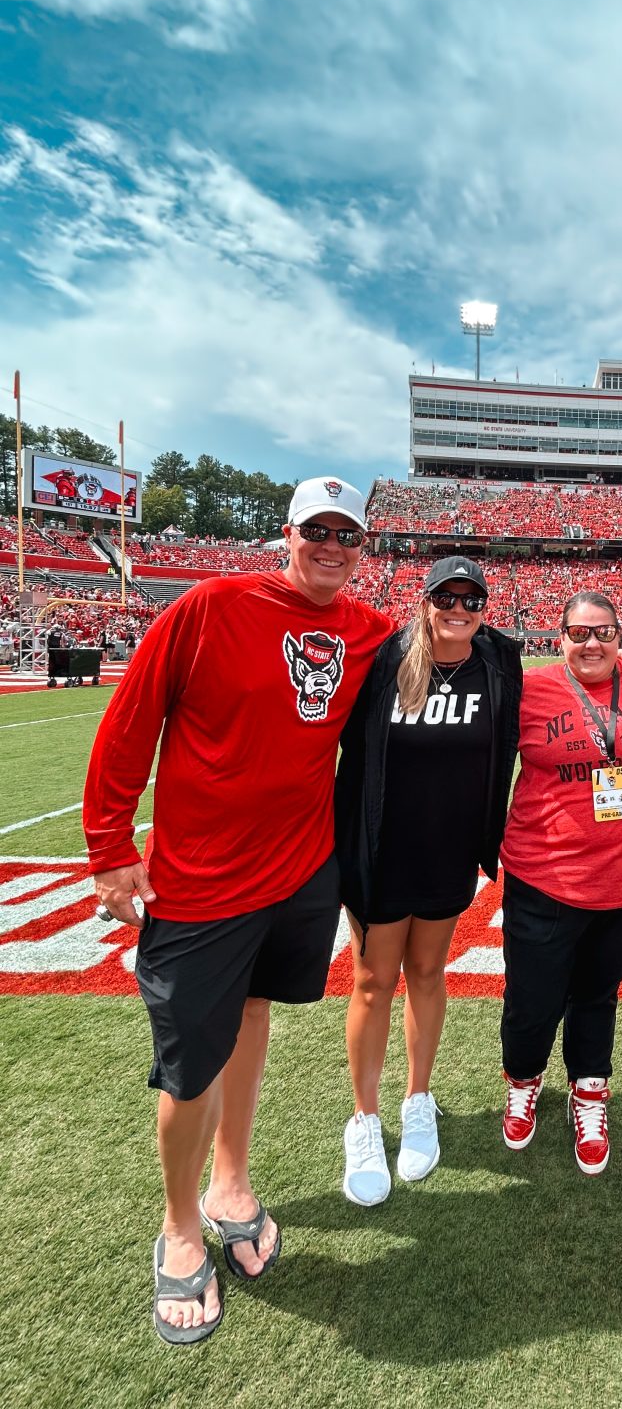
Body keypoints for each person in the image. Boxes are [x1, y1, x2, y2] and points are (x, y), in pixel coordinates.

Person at [82, 476, 394, 1346]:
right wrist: (110, 850)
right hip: (201, 881)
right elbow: (130, 723)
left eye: (349, 535)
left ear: (363, 547)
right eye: (317, 531)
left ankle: (231, 1183)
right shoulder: (210, 606)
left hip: (301, 876)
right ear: (286, 533)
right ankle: (180, 1225)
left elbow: (443, 652)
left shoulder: (367, 630)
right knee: (187, 1066)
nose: (332, 546)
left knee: (253, 1017)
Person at [334, 557, 523, 1203]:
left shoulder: (498, 664)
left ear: (484, 608)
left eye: (472, 599)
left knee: (426, 975)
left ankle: (418, 1098)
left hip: (449, 855)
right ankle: (364, 1117)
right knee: (371, 981)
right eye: (447, 596)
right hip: (381, 852)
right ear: (427, 600)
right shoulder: (386, 660)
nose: (459, 609)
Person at [498, 591, 622, 1175]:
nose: (591, 643)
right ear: (560, 638)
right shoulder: (531, 689)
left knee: (599, 995)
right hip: (544, 874)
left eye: (603, 632)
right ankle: (523, 1080)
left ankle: (590, 1090)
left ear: (621, 635)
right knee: (532, 1001)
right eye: (579, 633)